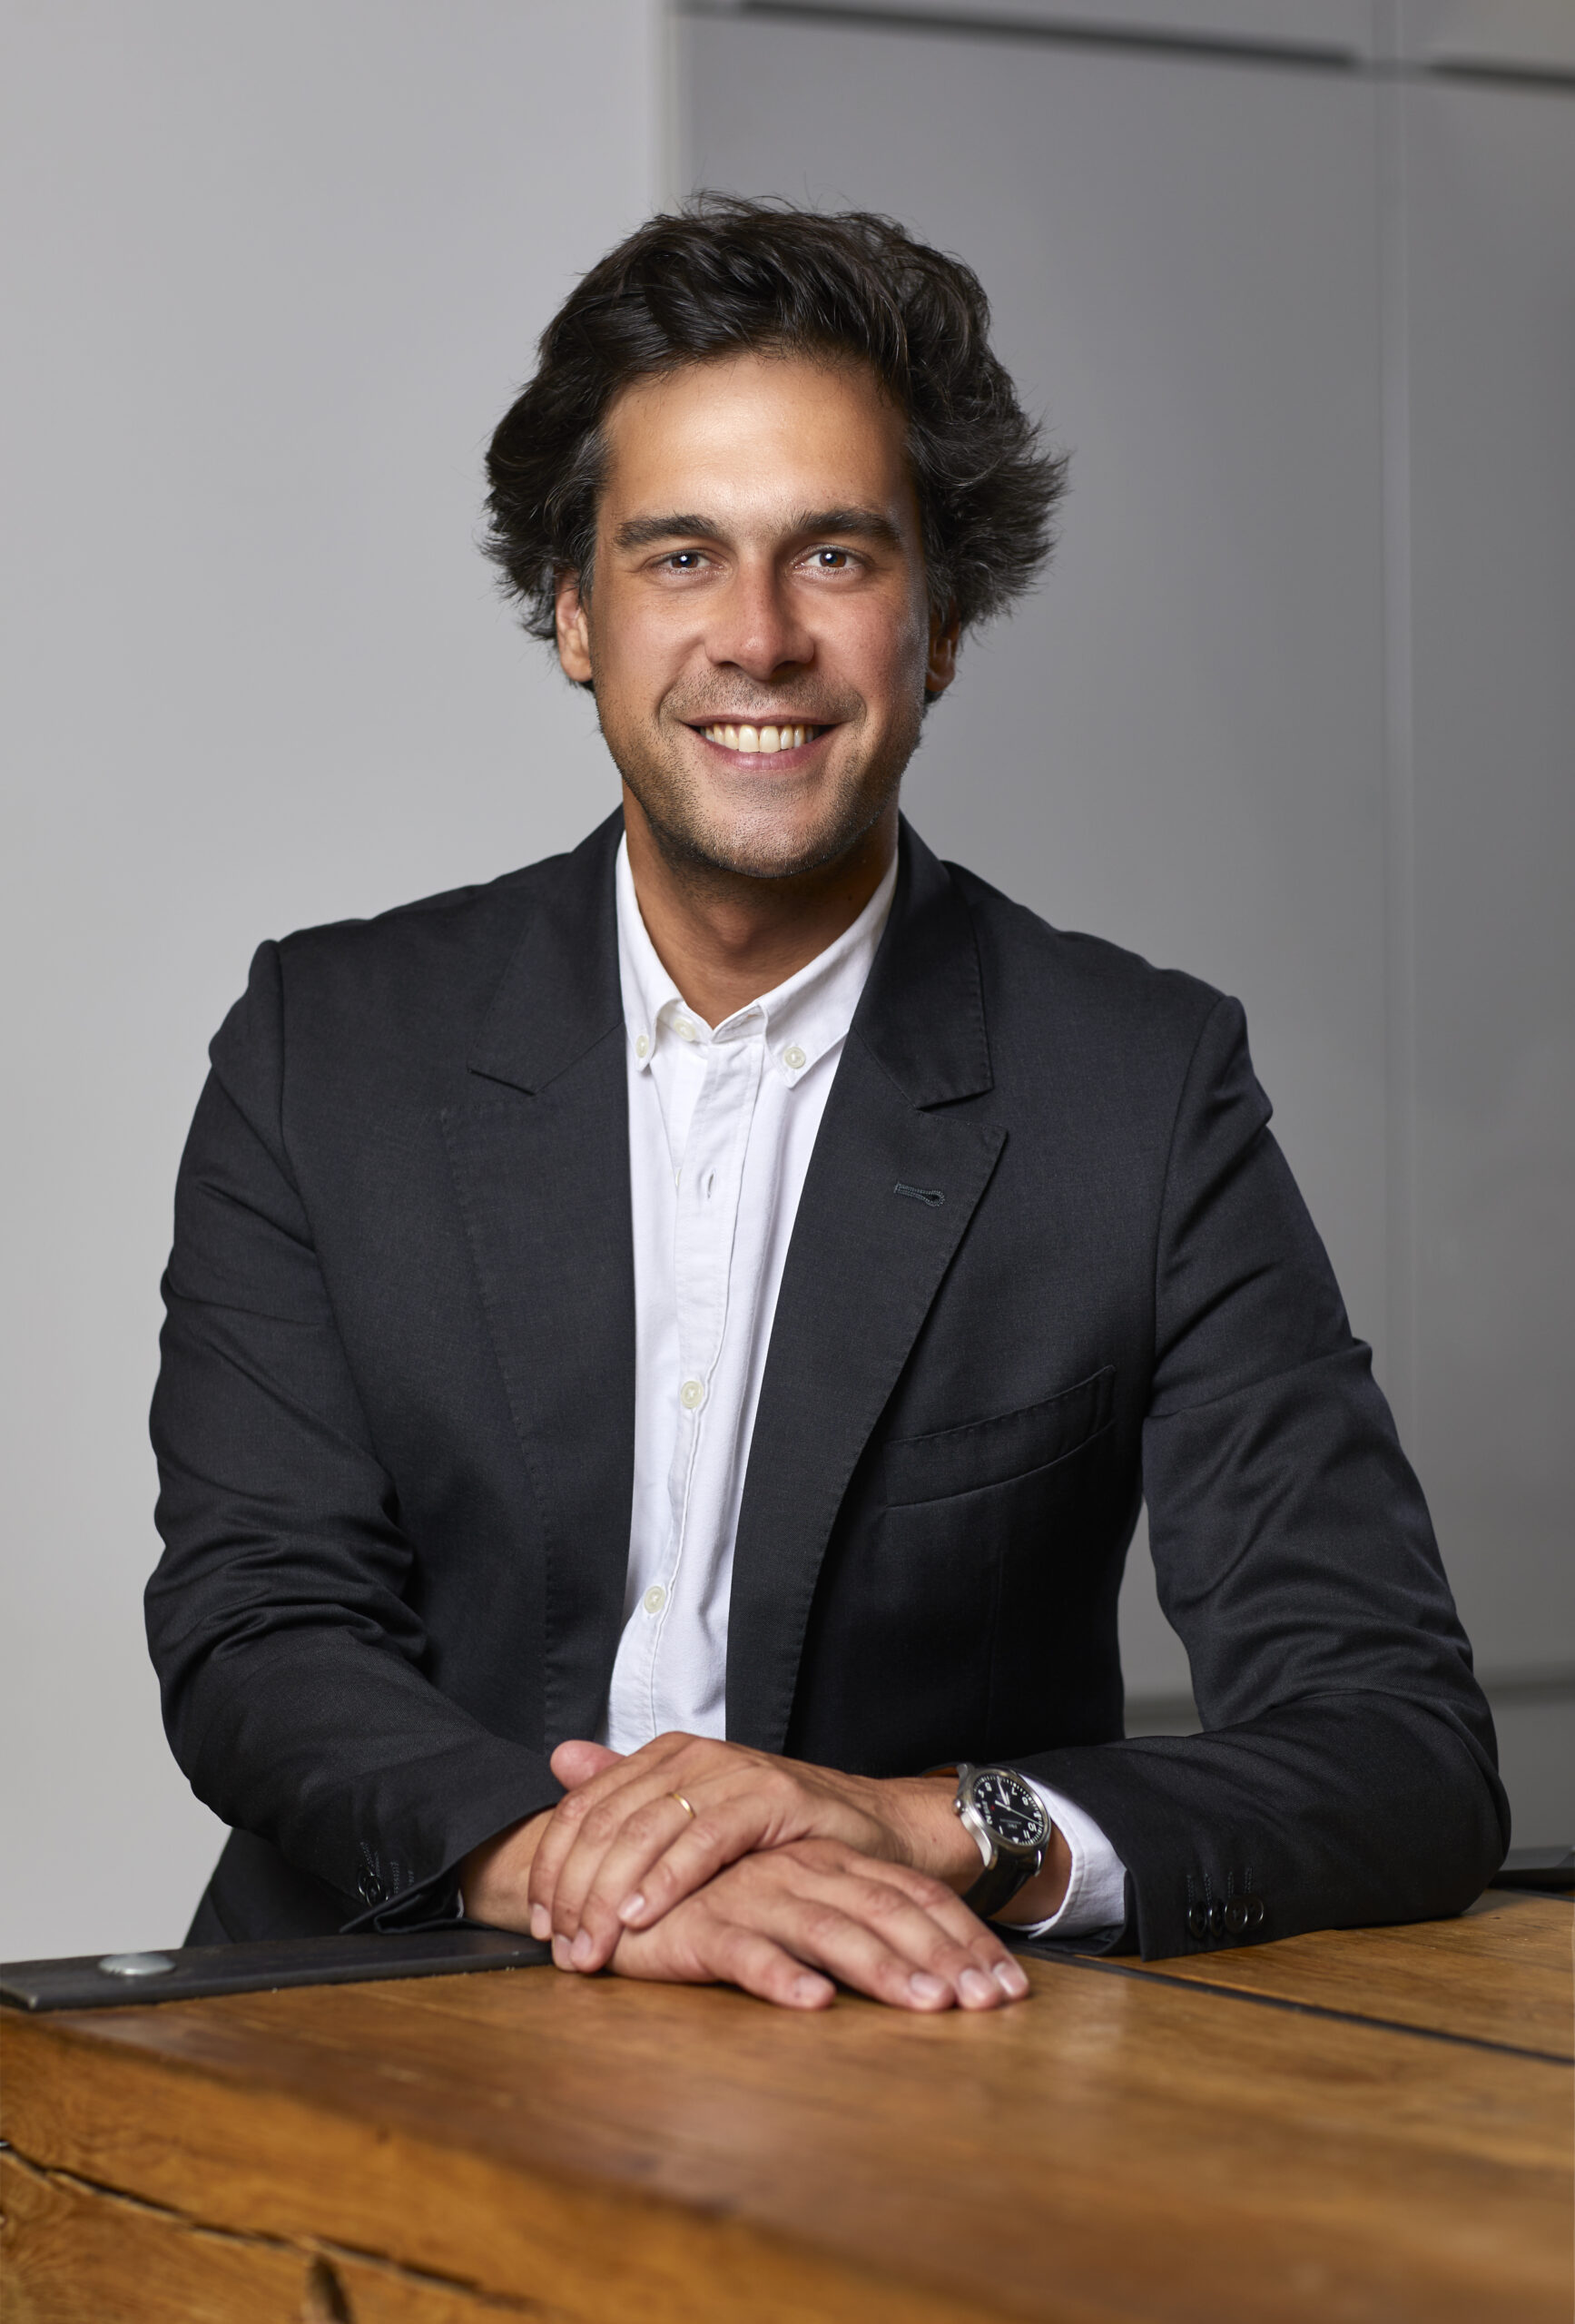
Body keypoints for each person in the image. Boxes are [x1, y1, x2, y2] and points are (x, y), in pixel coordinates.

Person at [146, 199, 1505, 2014]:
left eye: (837, 557)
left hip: (890, 2054)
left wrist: (926, 1824)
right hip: (371, 2018)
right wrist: (581, 1873)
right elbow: (257, 1630)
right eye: (681, 555)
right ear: (573, 613)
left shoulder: (1138, 1090)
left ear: (939, 627)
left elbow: (1396, 1746)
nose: (761, 638)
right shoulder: (327, 1044)